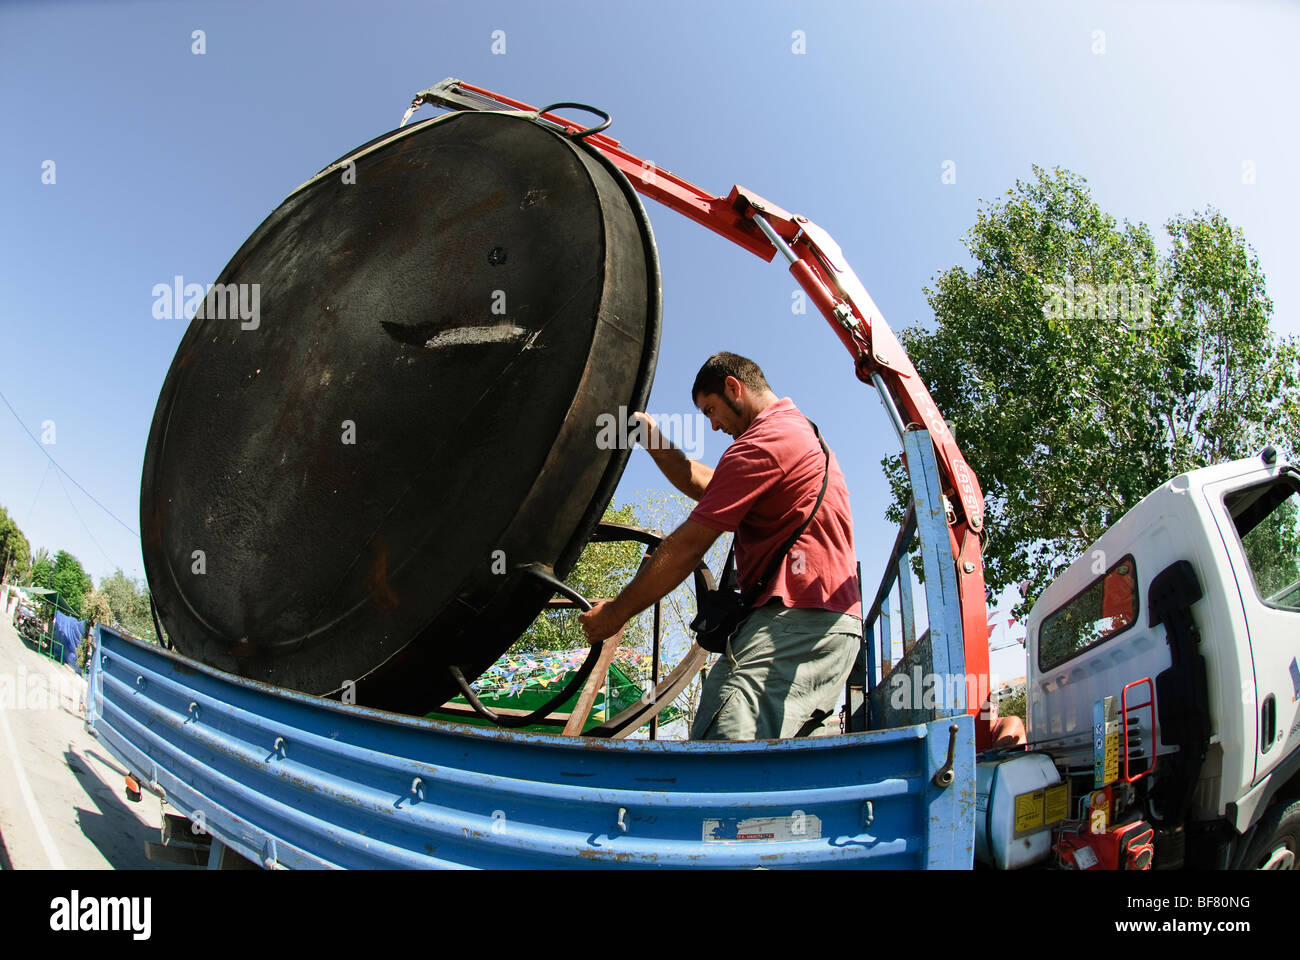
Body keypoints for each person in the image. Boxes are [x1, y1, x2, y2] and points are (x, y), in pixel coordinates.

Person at [579, 352, 862, 740]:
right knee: (773, 767)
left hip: (798, 620)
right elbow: (701, 480)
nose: (713, 426)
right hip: (825, 624)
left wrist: (616, 612)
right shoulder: (796, 432)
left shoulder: (765, 442)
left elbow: (689, 545)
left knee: (723, 738)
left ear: (734, 387)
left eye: (711, 410)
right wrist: (646, 432)